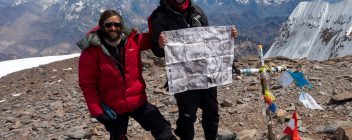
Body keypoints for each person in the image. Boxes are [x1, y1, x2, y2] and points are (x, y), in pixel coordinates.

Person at [77, 10, 175, 140]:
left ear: (121, 26)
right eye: (108, 25)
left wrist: (154, 22)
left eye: (117, 25)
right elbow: (87, 84)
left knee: (162, 128)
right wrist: (97, 112)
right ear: (102, 26)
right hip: (113, 106)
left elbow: (152, 39)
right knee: (118, 136)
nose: (113, 28)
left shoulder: (133, 40)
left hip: (137, 101)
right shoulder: (92, 50)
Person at [148, 0, 238, 139]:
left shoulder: (197, 11)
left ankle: (212, 137)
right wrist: (159, 45)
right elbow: (157, 51)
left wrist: (227, 37)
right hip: (184, 76)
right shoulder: (159, 17)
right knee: (188, 115)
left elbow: (210, 39)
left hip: (206, 72)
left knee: (212, 111)